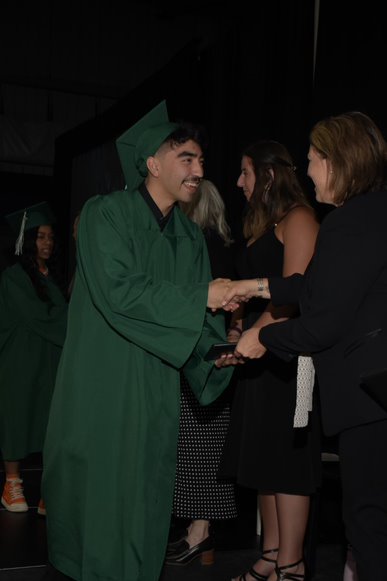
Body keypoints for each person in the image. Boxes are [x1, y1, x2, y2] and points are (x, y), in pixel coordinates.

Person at [41, 101, 238, 581]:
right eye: (186, 159)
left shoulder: (190, 240)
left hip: (154, 397)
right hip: (104, 390)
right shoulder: (105, 215)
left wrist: (225, 355)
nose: (199, 169)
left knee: (144, 512)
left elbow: (200, 331)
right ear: (152, 163)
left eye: (201, 160)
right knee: (101, 514)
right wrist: (201, 296)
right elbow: (121, 293)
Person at [222, 111, 387, 581]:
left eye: (314, 159)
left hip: (370, 400)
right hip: (373, 399)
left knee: (369, 525)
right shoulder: (370, 215)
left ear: (339, 162)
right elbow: (312, 288)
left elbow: (320, 324)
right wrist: (253, 288)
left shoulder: (347, 222)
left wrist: (261, 337)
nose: (308, 170)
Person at [216, 140, 321, 581]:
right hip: (260, 357)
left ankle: (292, 565)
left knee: (288, 464)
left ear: (269, 174)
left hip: (289, 357)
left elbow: (296, 292)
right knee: (262, 460)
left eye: (245, 172)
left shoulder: (298, 217)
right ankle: (271, 555)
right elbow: (250, 292)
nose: (239, 182)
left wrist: (255, 333)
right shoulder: (264, 224)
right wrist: (238, 331)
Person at [165, 179, 237, 566]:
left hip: (204, 357)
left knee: (200, 447)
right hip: (214, 355)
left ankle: (200, 532)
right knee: (200, 446)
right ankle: (198, 530)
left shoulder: (199, 245)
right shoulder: (223, 245)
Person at [0, 202, 68, 515]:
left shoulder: (52, 278)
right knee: (17, 417)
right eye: (40, 236)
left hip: (49, 361)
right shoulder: (13, 277)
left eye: (51, 237)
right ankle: (12, 484)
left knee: (48, 423)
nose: (48, 243)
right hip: (20, 362)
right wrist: (73, 322)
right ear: (27, 240)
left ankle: (47, 489)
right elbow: (38, 317)